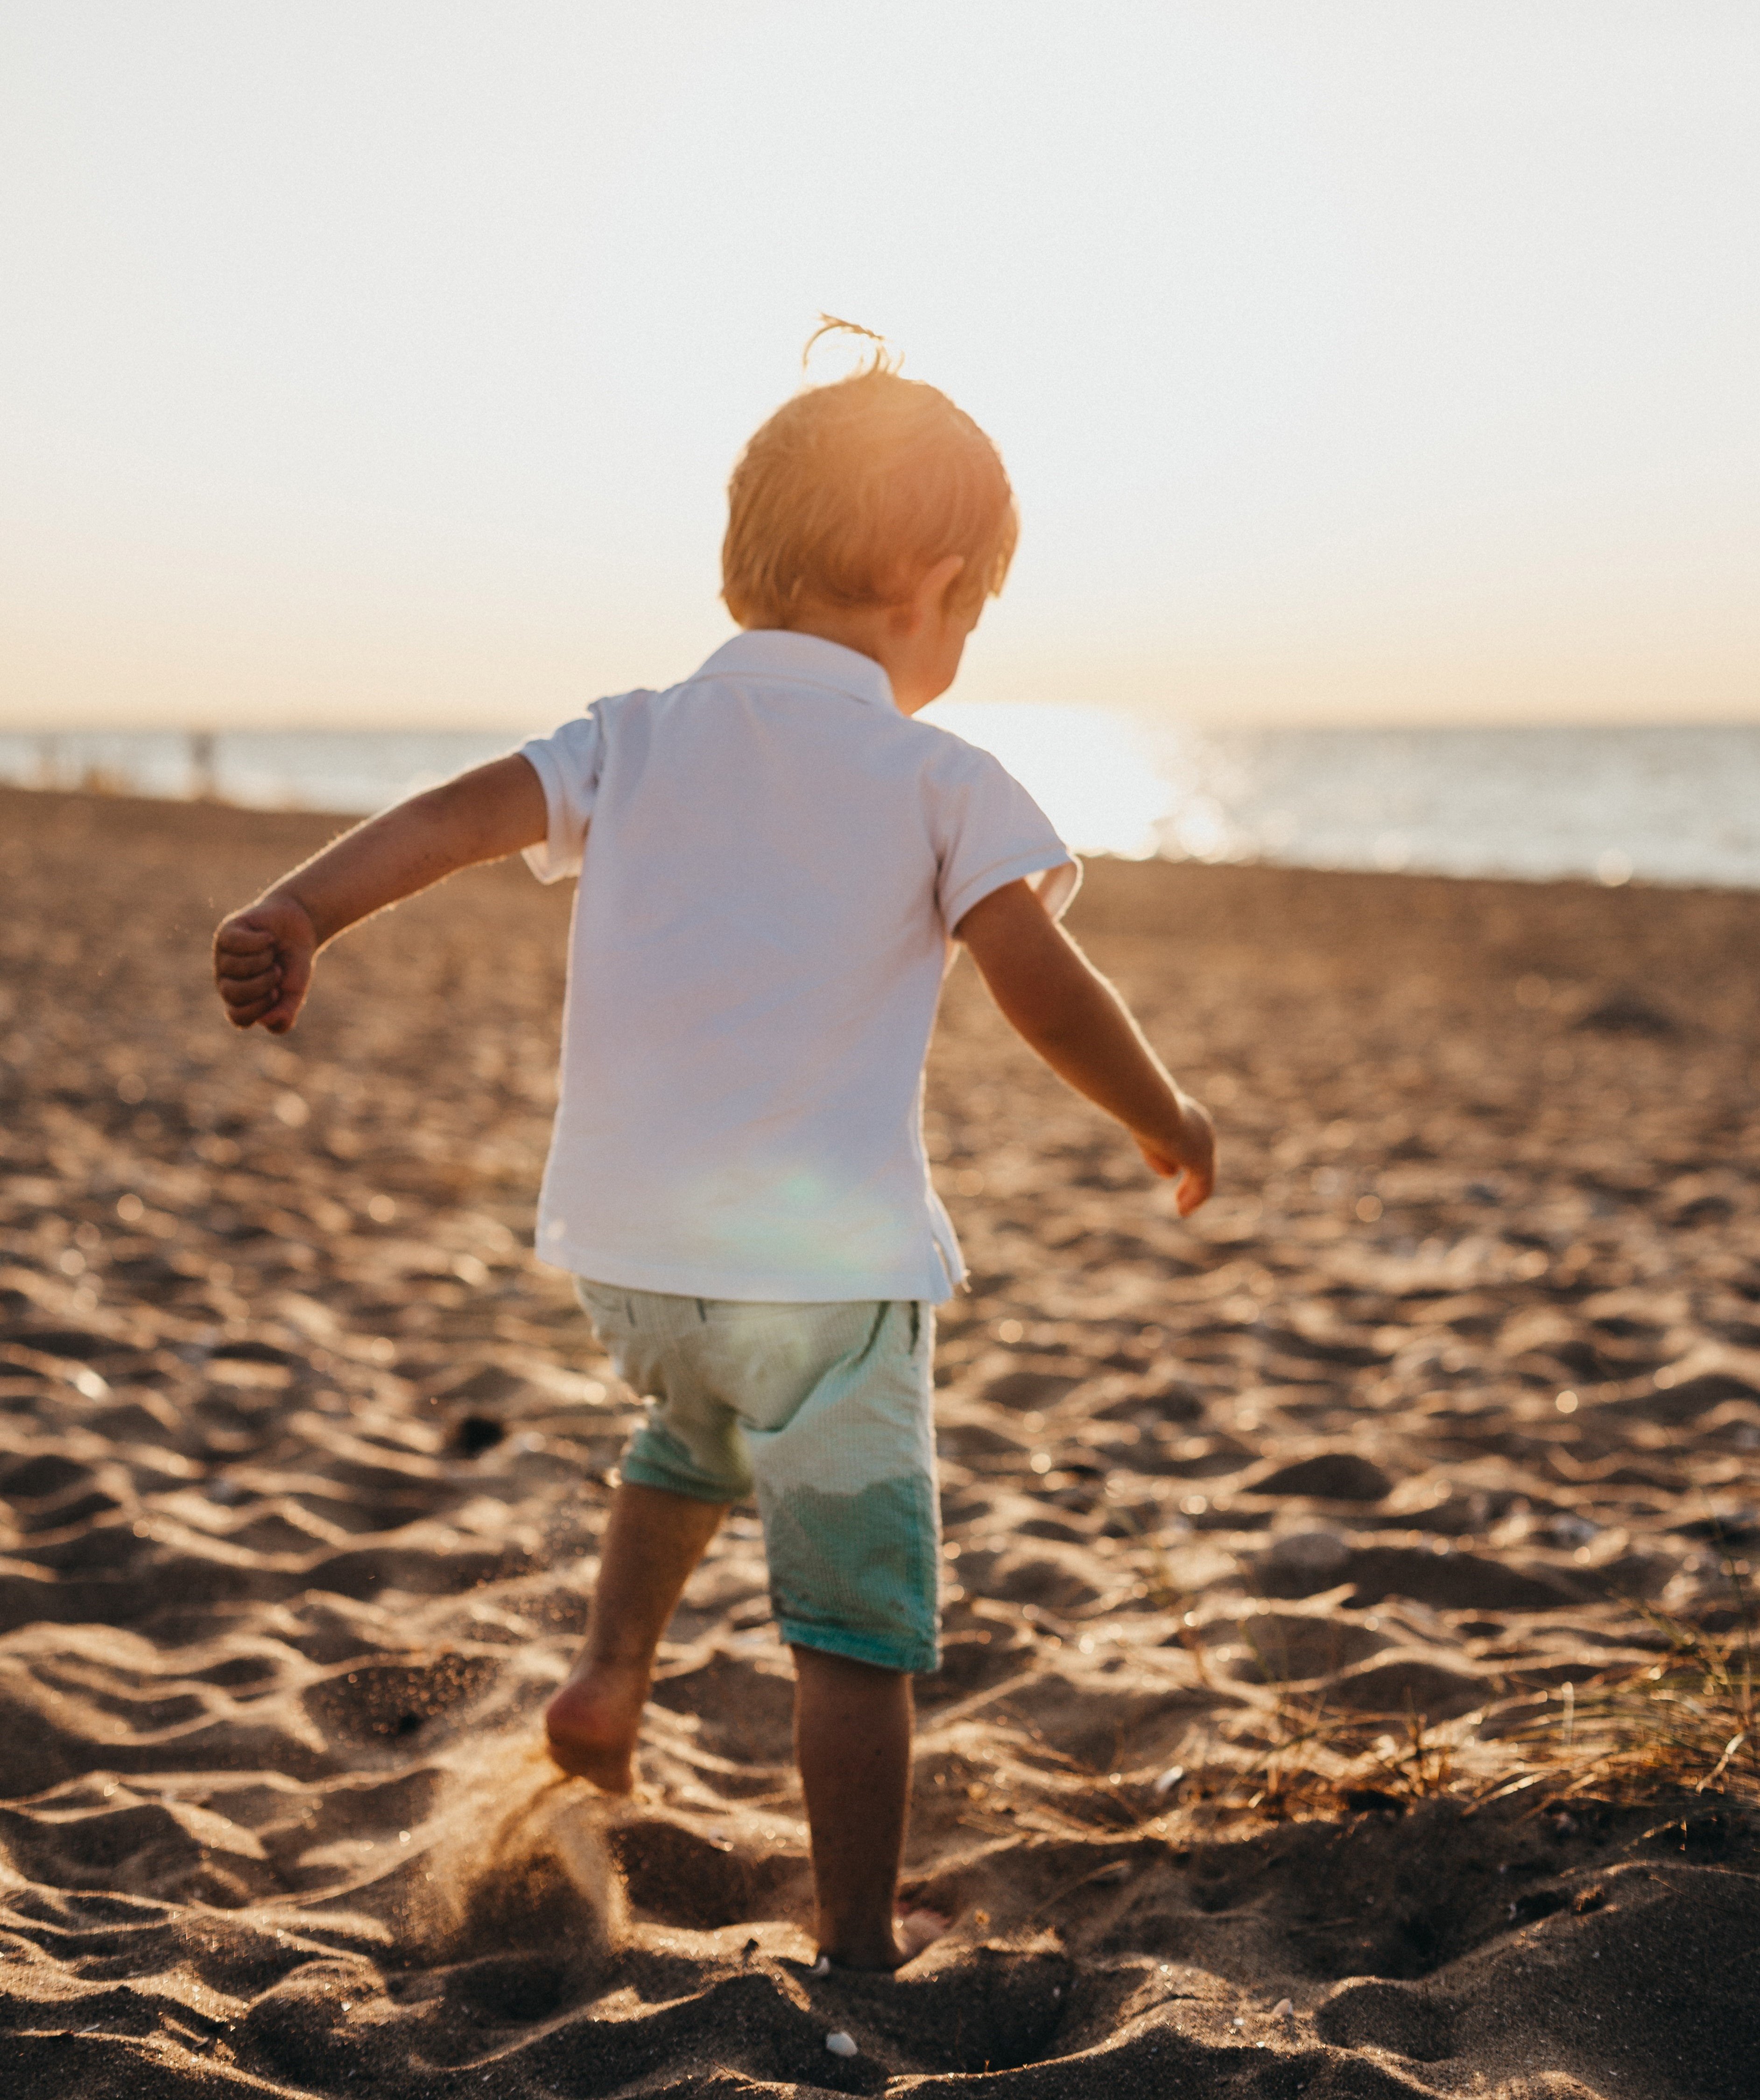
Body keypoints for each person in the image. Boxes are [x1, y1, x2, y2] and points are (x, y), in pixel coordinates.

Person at [212, 338, 1215, 1973]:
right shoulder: (938, 774)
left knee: (690, 1435)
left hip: (635, 1260)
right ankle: (859, 1934)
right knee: (853, 1627)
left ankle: (611, 1671)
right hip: (826, 1280)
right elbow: (1043, 980)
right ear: (937, 586)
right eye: (976, 612)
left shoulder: (636, 733)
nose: (965, 640)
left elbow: (460, 813)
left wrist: (303, 907)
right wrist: (1165, 1116)